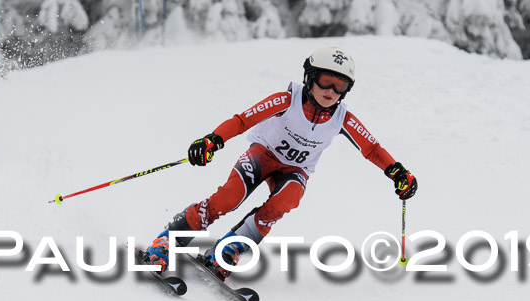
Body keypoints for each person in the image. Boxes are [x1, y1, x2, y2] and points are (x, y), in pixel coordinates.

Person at [145, 46, 418, 280]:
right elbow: (243, 120)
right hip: (263, 155)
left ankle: (227, 249)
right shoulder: (288, 99)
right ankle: (167, 241)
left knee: (284, 202)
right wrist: (213, 139)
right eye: (325, 80)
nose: (331, 91)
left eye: (340, 85)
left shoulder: (342, 118)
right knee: (228, 198)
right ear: (310, 78)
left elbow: (371, 148)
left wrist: (397, 172)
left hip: (295, 170)